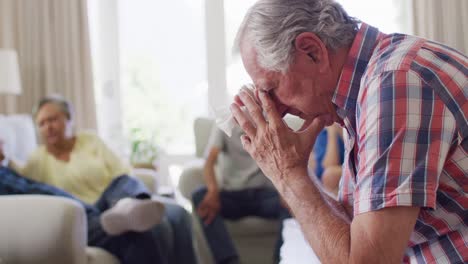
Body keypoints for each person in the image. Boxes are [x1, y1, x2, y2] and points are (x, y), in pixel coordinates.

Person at [230, 0, 467, 263]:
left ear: (312, 52)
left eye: (271, 89)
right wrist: (296, 171)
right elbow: (353, 231)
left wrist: (288, 174)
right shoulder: (363, 95)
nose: (276, 109)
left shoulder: (394, 83)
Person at [0, 95, 197, 264]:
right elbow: (18, 179)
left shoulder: (90, 140)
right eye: (42, 124)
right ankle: (126, 212)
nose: (48, 127)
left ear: (69, 119)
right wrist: (5, 157)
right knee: (156, 225)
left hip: (117, 200)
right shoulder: (37, 159)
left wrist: (124, 201)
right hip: (91, 209)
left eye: (53, 120)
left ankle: (129, 205)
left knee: (178, 214)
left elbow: (122, 172)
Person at [192, 125, 290, 264]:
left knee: (295, 203)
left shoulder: (268, 123)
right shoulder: (224, 125)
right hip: (233, 197)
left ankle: (281, 260)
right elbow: (209, 162)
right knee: (200, 196)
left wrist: (285, 190)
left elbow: (284, 160)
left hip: (264, 197)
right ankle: (229, 261)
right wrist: (213, 191)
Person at [313, 124, 344, 196]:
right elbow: (330, 164)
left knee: (331, 175)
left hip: (357, 167)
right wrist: (332, 132)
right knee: (330, 175)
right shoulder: (323, 134)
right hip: (328, 174)